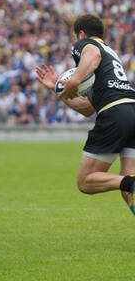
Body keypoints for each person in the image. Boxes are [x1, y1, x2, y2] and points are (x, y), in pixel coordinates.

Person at [36, 13, 135, 215]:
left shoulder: (86, 45)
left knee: (86, 181)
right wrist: (57, 88)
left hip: (115, 112)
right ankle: (130, 181)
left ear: (81, 34)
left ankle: (131, 181)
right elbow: (87, 108)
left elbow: (92, 55)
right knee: (127, 189)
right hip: (131, 109)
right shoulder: (111, 54)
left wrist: (74, 81)